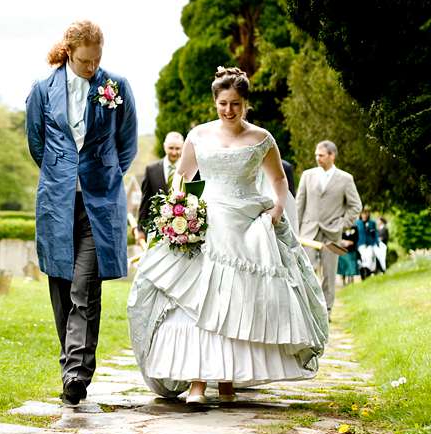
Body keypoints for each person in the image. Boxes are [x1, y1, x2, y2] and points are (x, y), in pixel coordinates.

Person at [127, 67, 329, 404]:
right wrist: (181, 208)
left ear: (245, 103)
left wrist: (278, 207)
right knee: (196, 300)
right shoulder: (198, 136)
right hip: (206, 222)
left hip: (248, 224)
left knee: (240, 300)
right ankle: (196, 382)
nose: (229, 110)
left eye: (236, 103)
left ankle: (228, 381)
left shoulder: (262, 138)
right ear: (215, 102)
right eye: (223, 103)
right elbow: (182, 176)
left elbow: (278, 180)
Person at [26, 20, 137, 406]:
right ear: (70, 52)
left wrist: (103, 175)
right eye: (85, 60)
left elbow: (127, 143)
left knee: (83, 288)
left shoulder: (117, 88)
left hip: (99, 203)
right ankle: (73, 364)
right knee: (60, 286)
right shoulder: (42, 91)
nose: (92, 67)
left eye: (97, 60)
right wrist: (62, 173)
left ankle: (75, 373)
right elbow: (37, 144)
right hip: (56, 202)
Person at [296, 141, 362, 317]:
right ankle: (308, 310)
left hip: (332, 234)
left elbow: (355, 206)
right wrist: (295, 229)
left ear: (332, 156)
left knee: (329, 274)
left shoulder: (345, 179)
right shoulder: (307, 175)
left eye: (321, 155)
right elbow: (299, 205)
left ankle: (327, 311)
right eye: (316, 155)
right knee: (306, 269)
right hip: (308, 232)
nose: (317, 158)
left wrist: (342, 223)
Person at [135, 132, 185, 246]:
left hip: (181, 230)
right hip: (156, 229)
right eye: (171, 148)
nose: (174, 152)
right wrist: (140, 229)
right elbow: (145, 201)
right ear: (164, 146)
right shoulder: (151, 170)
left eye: (178, 148)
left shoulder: (187, 170)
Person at [355, 208, 379, 279]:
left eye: (366, 213)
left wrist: (376, 242)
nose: (364, 215)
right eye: (363, 214)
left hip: (370, 243)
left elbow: (375, 234)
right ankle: (364, 272)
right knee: (363, 257)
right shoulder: (357, 223)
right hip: (361, 243)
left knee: (369, 256)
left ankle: (368, 271)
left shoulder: (372, 223)